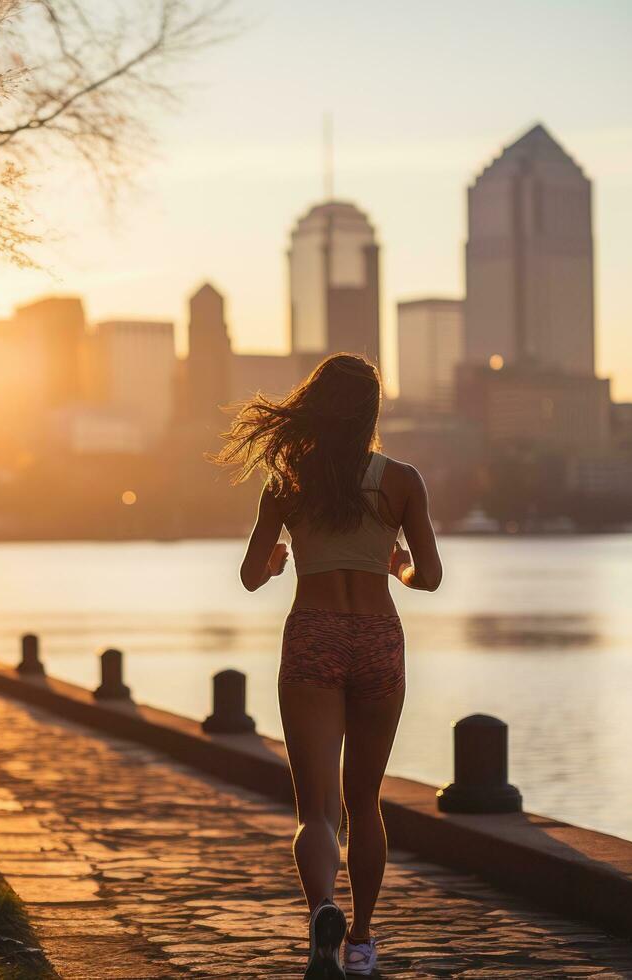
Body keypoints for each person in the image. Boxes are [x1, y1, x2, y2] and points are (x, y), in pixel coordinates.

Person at [214, 353, 442, 979]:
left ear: (314, 407)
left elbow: (249, 576)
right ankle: (361, 941)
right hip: (376, 637)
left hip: (313, 635)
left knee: (314, 809)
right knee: (363, 801)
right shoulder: (401, 480)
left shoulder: (288, 480)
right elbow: (431, 577)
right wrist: (397, 565)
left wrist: (279, 561)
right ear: (370, 411)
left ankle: (321, 913)